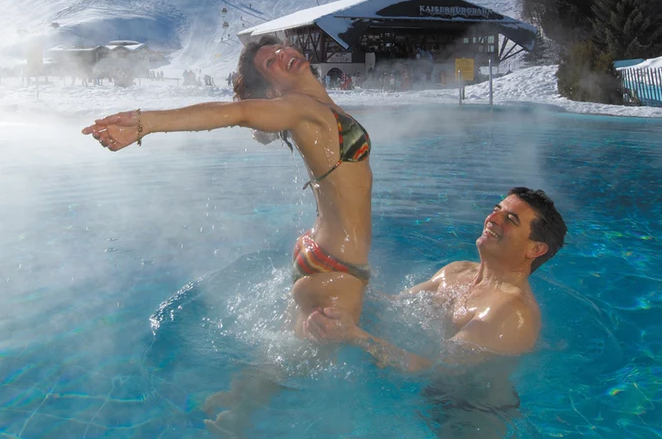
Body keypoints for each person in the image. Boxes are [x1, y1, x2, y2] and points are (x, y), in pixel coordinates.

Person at [82, 35, 373, 433]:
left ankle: (234, 400)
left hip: (318, 253)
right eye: (270, 62)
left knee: (287, 351)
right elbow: (236, 113)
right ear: (271, 87)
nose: (282, 57)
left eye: (280, 51)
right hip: (337, 266)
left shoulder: (315, 107)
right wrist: (147, 123)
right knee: (306, 367)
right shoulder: (301, 108)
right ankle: (234, 421)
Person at [306, 188, 566, 435]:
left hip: (473, 414)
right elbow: (392, 307)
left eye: (510, 219)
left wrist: (352, 335)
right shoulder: (456, 271)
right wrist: (338, 275)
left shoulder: (511, 312)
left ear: (535, 249)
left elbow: (435, 369)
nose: (492, 218)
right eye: (496, 209)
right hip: (429, 396)